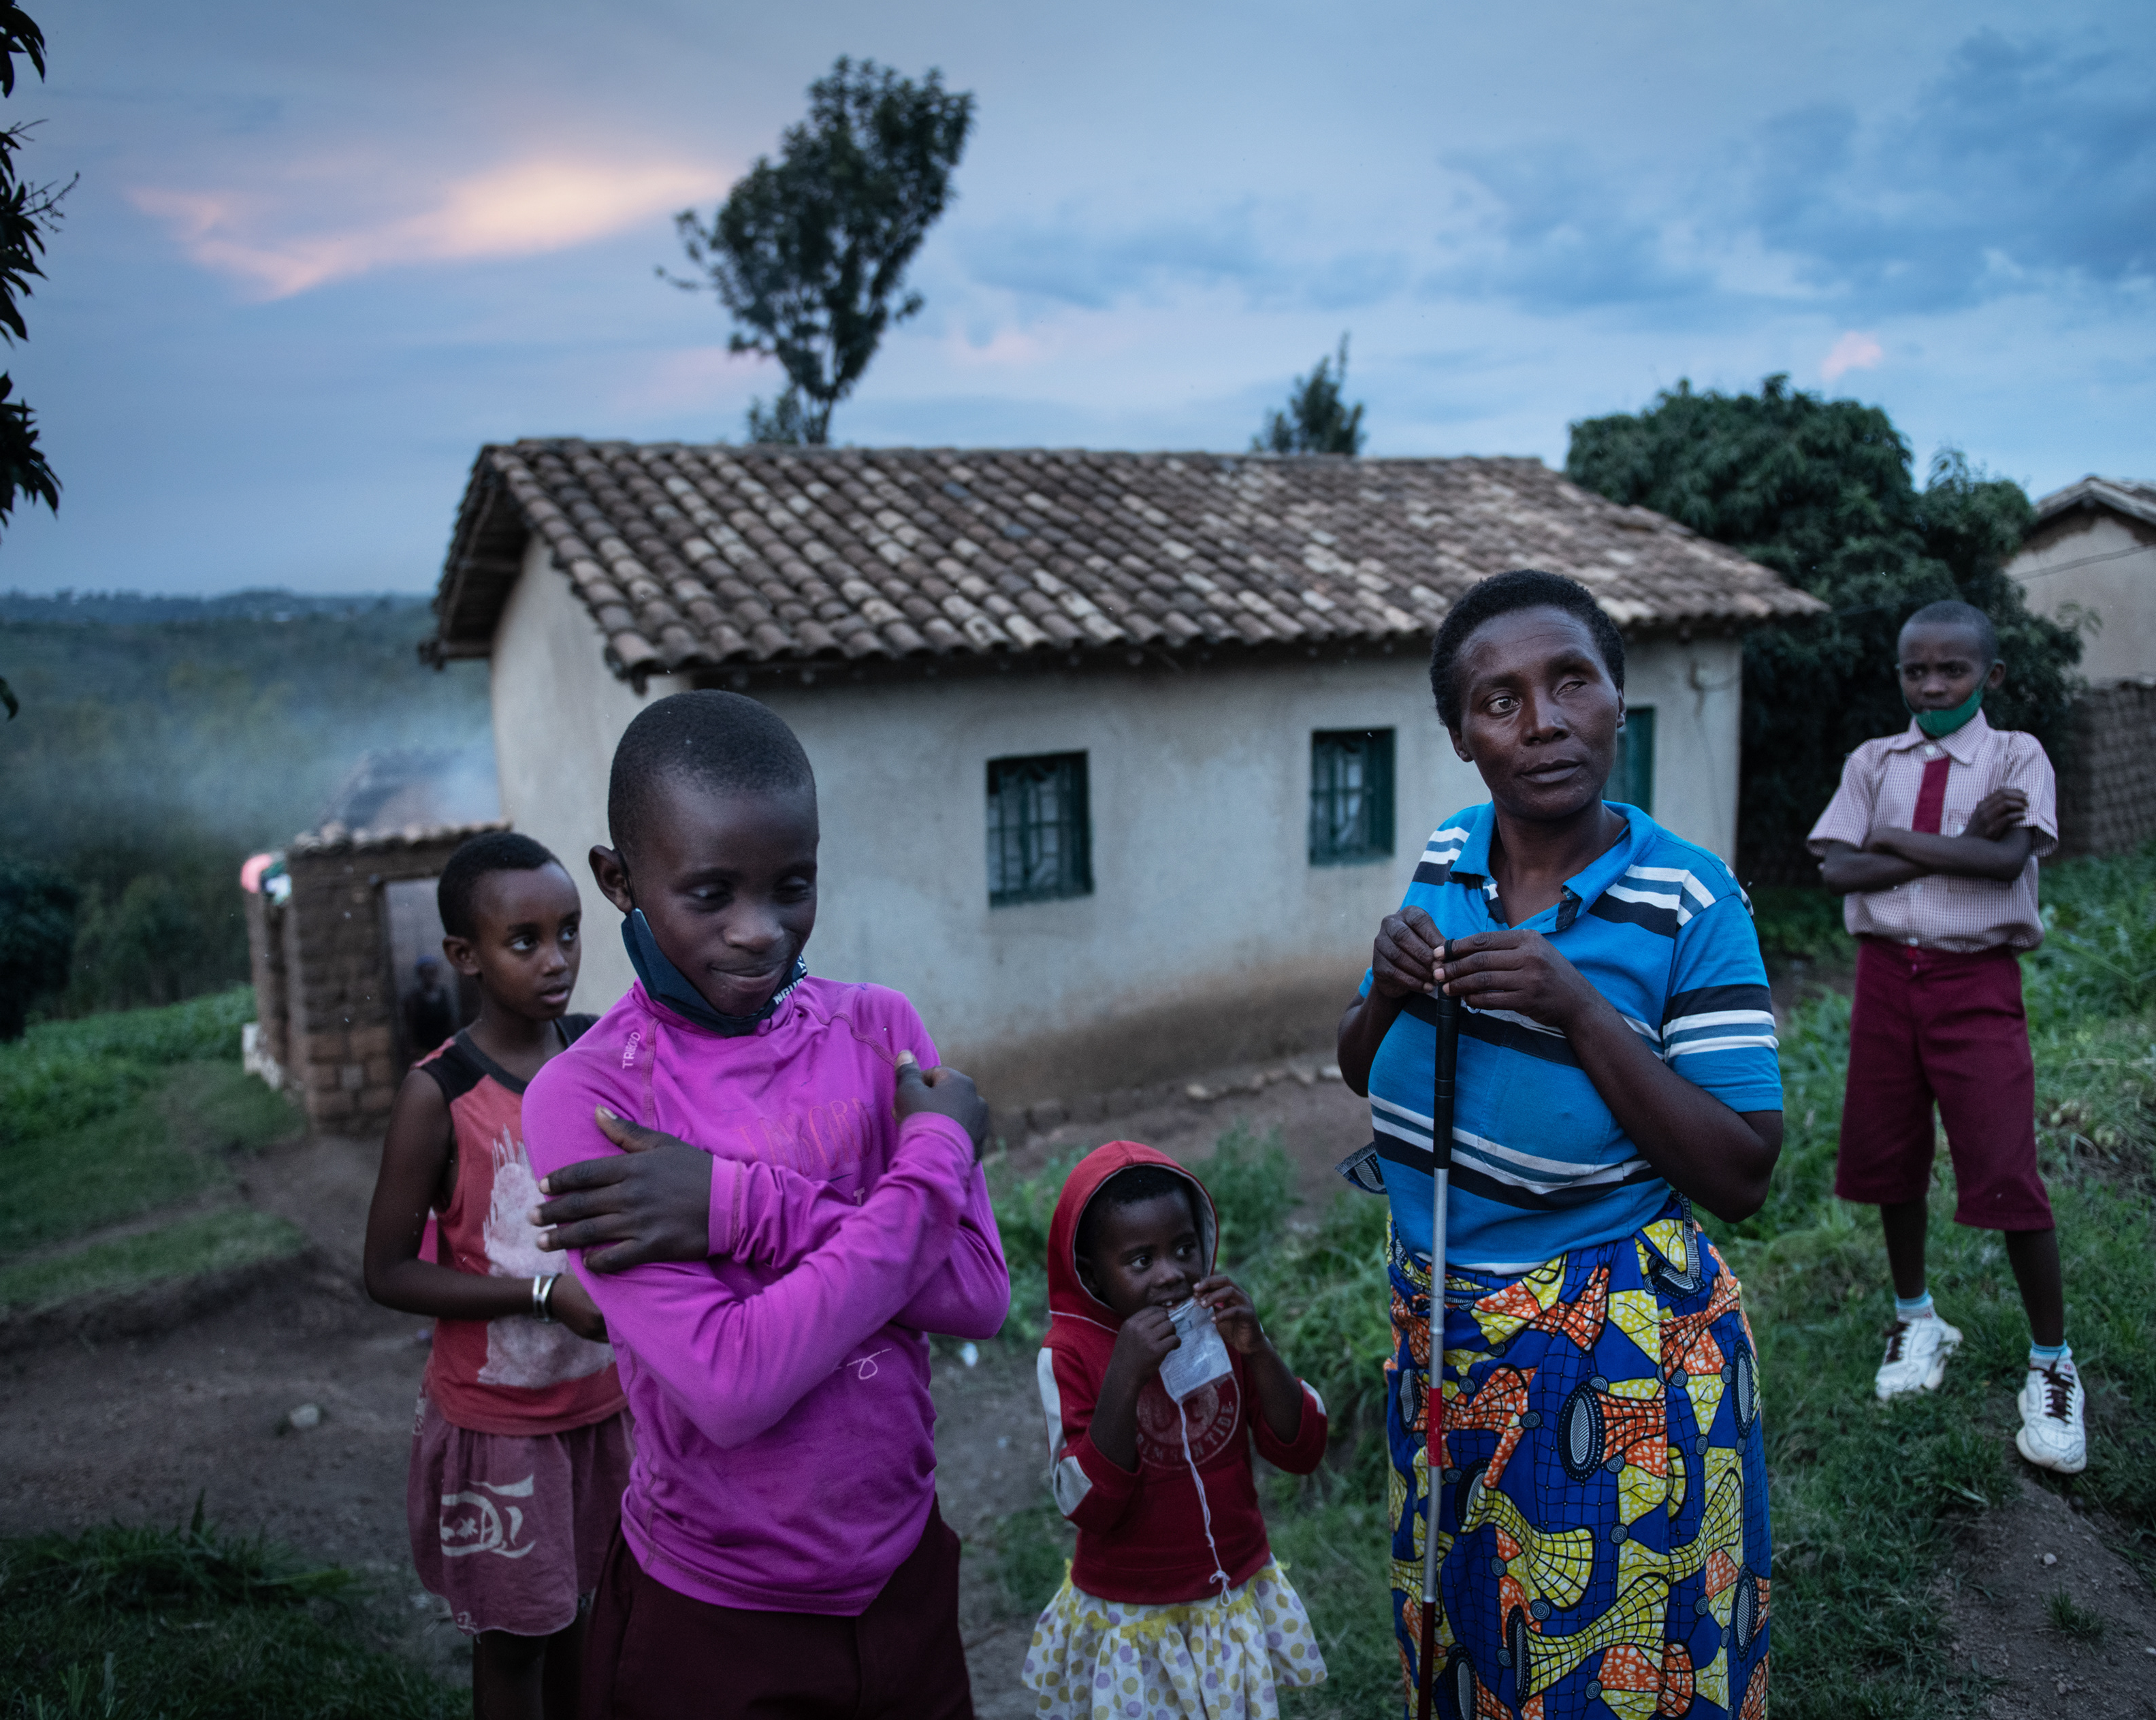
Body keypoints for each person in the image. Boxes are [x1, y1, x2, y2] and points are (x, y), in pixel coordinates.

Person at [1338, 569, 1782, 1720]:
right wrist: (1386, 994)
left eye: (1570, 681)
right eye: (1500, 701)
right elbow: (1364, 1072)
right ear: (1460, 737)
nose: (1543, 723)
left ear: (1616, 698)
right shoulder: (1448, 853)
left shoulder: (1691, 899)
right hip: (1439, 1331)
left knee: (1594, 1659)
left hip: (1605, 1356)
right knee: (1470, 1624)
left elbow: (1743, 1170)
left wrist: (1578, 1009)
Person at [517, 689, 1010, 1720]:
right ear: (620, 880)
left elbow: (973, 1294)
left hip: (905, 1568)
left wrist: (739, 1206)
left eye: (794, 885)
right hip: (718, 1613)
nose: (762, 933)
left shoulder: (878, 1030)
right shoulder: (594, 1101)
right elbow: (735, 1385)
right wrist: (931, 1156)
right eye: (710, 894)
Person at [1806, 600, 2083, 1474]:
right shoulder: (1872, 762)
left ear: (1989, 677)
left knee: (2005, 1163)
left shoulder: (2016, 756)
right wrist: (1949, 840)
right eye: (1915, 671)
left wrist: (1900, 843)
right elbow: (1837, 869)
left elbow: (2008, 862)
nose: (1932, 685)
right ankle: (1916, 1316)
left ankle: (2053, 1363)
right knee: (1889, 1154)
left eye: (1951, 671)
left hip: (1976, 981)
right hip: (1887, 977)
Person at [361, 829, 628, 1720]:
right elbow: (387, 1271)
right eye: (524, 941)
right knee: (516, 1643)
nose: (556, 960)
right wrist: (544, 1294)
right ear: (463, 957)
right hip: (500, 1425)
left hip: (604, 1410)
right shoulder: (438, 1096)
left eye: (569, 931)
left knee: (588, 1617)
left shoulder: (604, 1059)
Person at [1019, 1142, 1330, 1719]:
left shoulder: (1222, 1327)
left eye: (1184, 1248)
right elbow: (1084, 1504)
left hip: (1228, 1594)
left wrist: (1257, 1349)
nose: (1171, 1275)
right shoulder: (1069, 1355)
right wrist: (1124, 1377)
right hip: (1133, 1614)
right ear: (1091, 1273)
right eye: (1140, 1261)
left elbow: (1302, 1448)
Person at [402, 954, 458, 1061]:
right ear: (420, 974)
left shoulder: (444, 994)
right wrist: (412, 1050)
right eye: (426, 973)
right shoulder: (413, 999)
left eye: (432, 972)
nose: (430, 976)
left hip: (444, 1048)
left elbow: (451, 1021)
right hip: (425, 1051)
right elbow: (409, 1028)